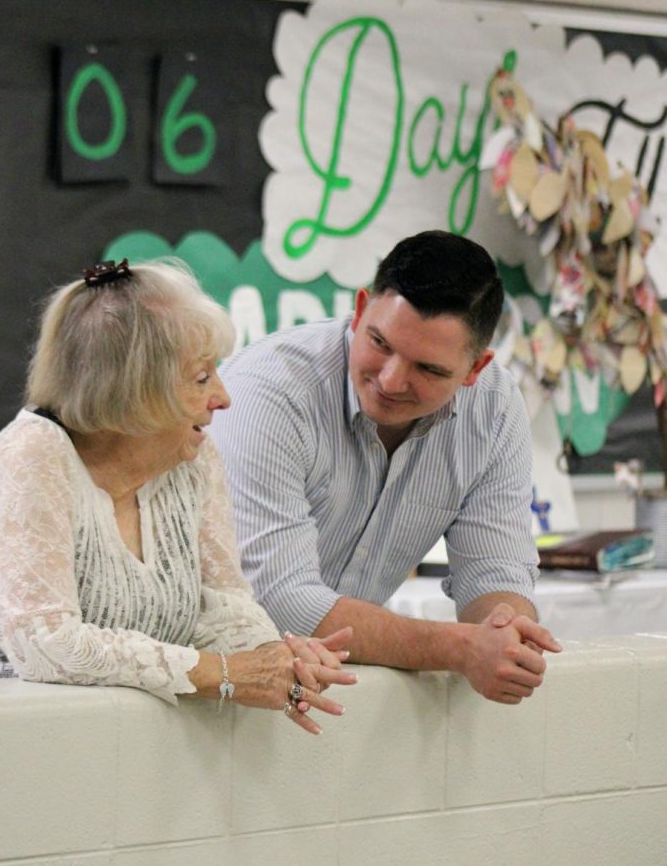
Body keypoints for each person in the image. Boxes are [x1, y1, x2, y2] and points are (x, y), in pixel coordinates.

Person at [0, 259, 356, 734]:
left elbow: (224, 607)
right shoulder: (33, 453)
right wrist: (224, 674)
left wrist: (275, 660)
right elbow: (47, 645)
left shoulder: (193, 458)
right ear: (135, 390)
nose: (223, 397)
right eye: (201, 378)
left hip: (107, 743)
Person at [209, 230, 562, 706]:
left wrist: (506, 632)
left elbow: (495, 572)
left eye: (429, 370)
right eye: (379, 342)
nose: (392, 381)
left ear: (475, 368)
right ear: (359, 311)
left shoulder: (494, 407)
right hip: (203, 681)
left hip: (319, 689)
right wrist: (461, 648)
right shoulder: (269, 391)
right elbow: (282, 600)